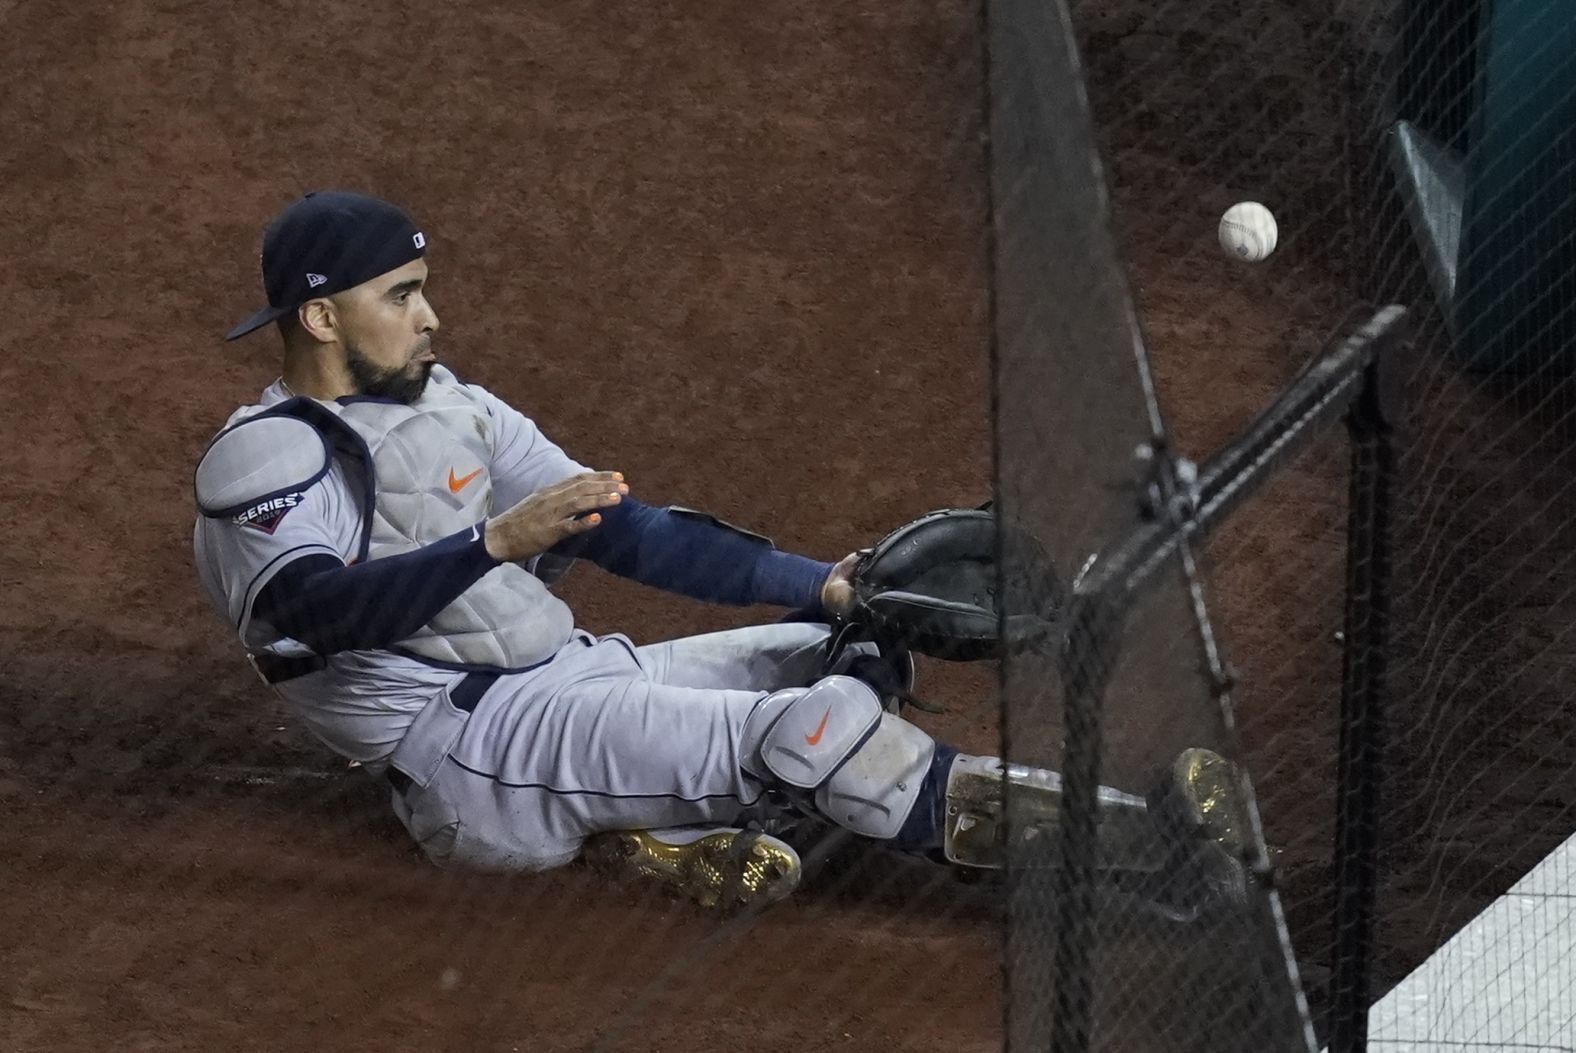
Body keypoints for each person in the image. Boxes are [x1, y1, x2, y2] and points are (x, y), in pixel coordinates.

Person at [192, 190, 1245, 915]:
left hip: (571, 680)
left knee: (844, 643)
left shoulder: (448, 405)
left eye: (423, 287)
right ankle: (1146, 852)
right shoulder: (270, 460)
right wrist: (493, 542)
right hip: (475, 755)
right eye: (400, 295)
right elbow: (308, 616)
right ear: (321, 314)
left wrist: (828, 585)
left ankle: (664, 831)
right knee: (824, 725)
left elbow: (626, 526)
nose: (432, 315)